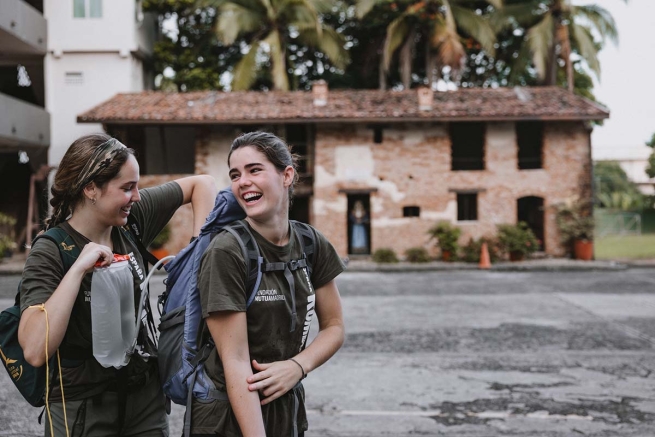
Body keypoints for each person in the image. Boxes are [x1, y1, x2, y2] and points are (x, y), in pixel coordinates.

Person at [18, 133, 217, 436]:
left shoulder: (131, 220)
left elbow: (202, 185)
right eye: (127, 188)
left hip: (144, 399)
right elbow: (34, 349)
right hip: (82, 405)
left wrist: (197, 257)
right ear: (91, 189)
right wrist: (78, 270)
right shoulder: (51, 249)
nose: (136, 196)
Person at [193, 131, 346, 437]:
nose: (242, 182)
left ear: (286, 175)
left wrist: (297, 366)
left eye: (254, 170)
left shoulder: (311, 243)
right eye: (235, 175)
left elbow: (334, 326)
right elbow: (235, 361)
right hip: (229, 416)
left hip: (287, 409)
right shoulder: (228, 250)